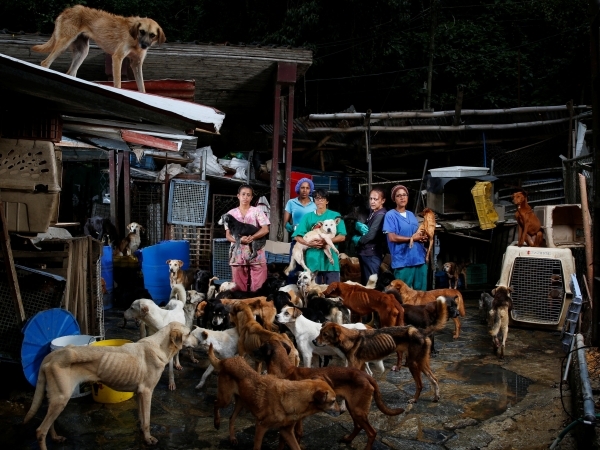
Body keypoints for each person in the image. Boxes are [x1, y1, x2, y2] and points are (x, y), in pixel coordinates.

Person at [292, 189, 346, 285]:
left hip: (330, 264)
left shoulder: (335, 216)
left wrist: (325, 241)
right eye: (317, 198)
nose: (319, 201)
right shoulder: (307, 217)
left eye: (322, 198)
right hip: (312, 262)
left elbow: (342, 236)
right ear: (314, 201)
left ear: (327, 201)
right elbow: (297, 236)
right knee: (313, 291)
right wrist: (308, 243)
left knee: (333, 291)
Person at [223, 184, 270, 291]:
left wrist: (252, 237)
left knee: (259, 288)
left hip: (256, 254)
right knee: (238, 288)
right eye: (243, 194)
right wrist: (239, 240)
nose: (245, 197)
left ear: (252, 197)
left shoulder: (257, 211)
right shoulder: (230, 214)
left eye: (248, 195)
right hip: (238, 255)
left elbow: (265, 229)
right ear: (238, 196)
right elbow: (228, 235)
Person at [383, 184, 428, 290]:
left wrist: (421, 238)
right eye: (398, 196)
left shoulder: (411, 215)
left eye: (404, 195)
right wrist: (412, 239)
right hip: (403, 261)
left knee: (421, 294)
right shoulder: (390, 215)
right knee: (402, 293)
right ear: (394, 199)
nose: (402, 197)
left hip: (419, 258)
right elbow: (392, 238)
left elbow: (416, 234)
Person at [283, 178, 317, 284]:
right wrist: (288, 226)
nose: (305, 190)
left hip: (311, 241)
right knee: (294, 267)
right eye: (302, 187)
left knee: (310, 268)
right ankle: (291, 290)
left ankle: (308, 290)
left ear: (310, 189)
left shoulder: (315, 203)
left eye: (307, 188)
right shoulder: (291, 202)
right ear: (298, 188)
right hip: (297, 240)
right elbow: (285, 222)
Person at [352, 188, 387, 285]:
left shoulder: (381, 214)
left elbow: (371, 235)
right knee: (366, 283)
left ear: (383, 201)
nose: (372, 201)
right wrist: (358, 227)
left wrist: (359, 240)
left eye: (376, 199)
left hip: (372, 254)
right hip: (365, 253)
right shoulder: (372, 212)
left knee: (371, 284)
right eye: (371, 199)